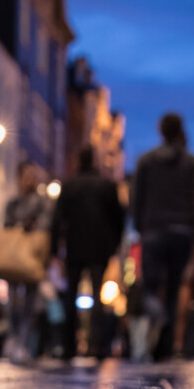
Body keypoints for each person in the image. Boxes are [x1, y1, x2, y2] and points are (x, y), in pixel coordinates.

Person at [130, 113, 194, 360]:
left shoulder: (146, 162)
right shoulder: (193, 164)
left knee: (150, 287)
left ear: (160, 130)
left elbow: (136, 198)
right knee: (175, 288)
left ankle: (159, 317)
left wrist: (141, 227)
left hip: (153, 230)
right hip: (182, 231)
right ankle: (165, 346)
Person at [52, 145, 125, 359]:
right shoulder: (106, 185)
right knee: (97, 297)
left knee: (70, 297)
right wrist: (114, 246)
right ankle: (97, 346)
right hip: (99, 248)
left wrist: (55, 249)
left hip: (74, 247)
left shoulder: (69, 185)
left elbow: (57, 219)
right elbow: (118, 219)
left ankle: (69, 346)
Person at [2, 163, 53, 363]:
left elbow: (45, 224)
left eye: (33, 176)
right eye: (27, 176)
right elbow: (6, 225)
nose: (30, 180)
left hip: (33, 256)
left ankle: (23, 342)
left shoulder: (42, 202)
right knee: (13, 303)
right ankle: (14, 337)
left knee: (31, 304)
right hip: (14, 255)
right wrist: (22, 227)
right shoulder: (12, 203)